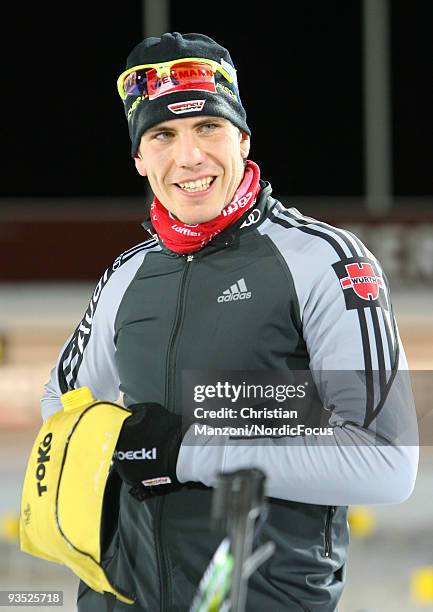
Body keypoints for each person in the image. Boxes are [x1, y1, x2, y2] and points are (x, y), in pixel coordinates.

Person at [41, 32, 418, 611]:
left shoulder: (323, 259)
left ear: (242, 137)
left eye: (208, 128)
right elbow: (61, 403)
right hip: (122, 598)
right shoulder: (128, 273)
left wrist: (183, 453)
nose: (189, 157)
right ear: (140, 159)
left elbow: (387, 462)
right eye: (163, 135)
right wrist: (109, 456)